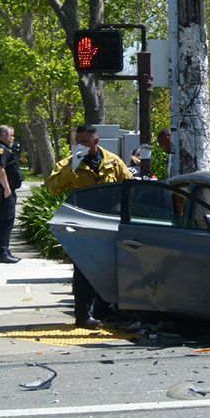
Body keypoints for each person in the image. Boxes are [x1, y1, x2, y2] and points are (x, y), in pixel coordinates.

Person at [47, 124, 134, 328]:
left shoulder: (113, 162)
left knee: (107, 267)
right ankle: (82, 314)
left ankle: (103, 311)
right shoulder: (68, 164)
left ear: (96, 142)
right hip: (83, 223)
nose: (81, 146)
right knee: (84, 269)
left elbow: (129, 185)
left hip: (108, 221)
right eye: (78, 142)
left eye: (85, 142)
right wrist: (72, 168)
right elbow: (53, 188)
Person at [0, 125, 23, 264]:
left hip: (5, 190)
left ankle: (5, 251)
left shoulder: (3, 148)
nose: (13, 138)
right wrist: (6, 188)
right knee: (6, 221)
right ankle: (2, 254)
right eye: (11, 135)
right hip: (2, 191)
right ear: (2, 135)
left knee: (8, 221)